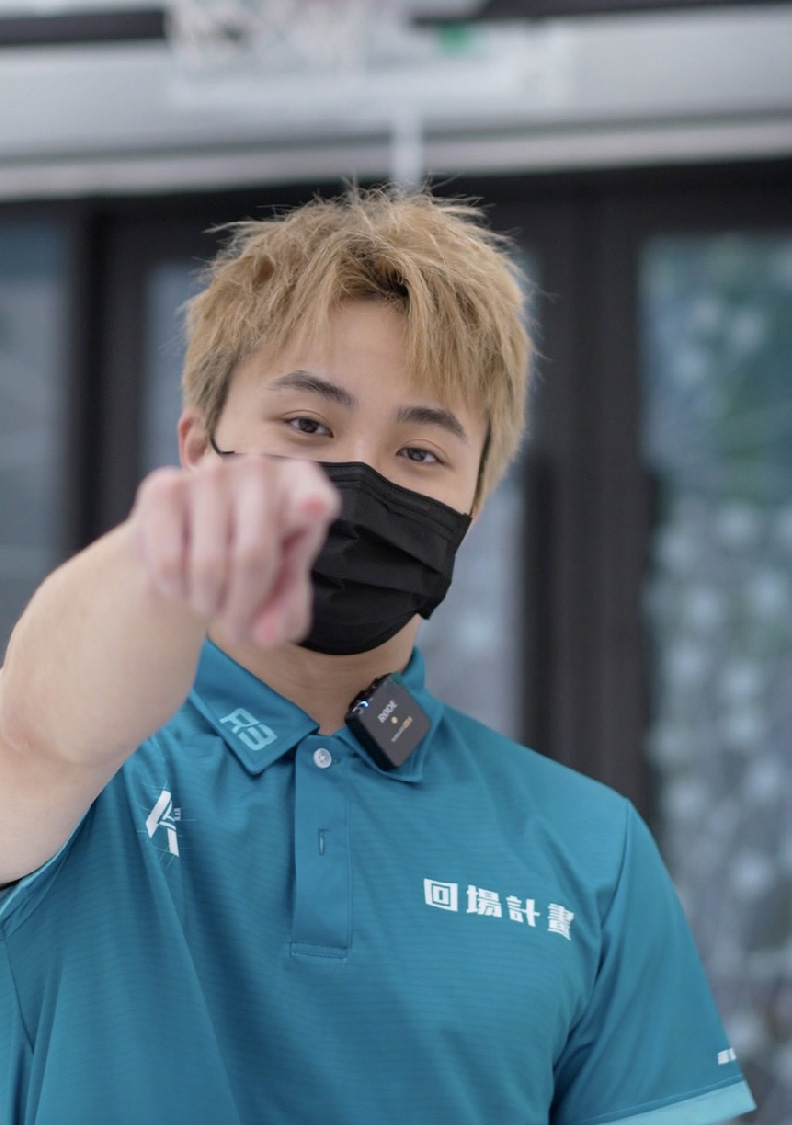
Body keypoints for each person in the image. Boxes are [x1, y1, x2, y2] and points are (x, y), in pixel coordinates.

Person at [0, 188, 754, 1125]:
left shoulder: (591, 848)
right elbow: (33, 729)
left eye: (420, 452)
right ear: (200, 449)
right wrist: (165, 554)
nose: (353, 484)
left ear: (474, 506)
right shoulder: (86, 789)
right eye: (308, 426)